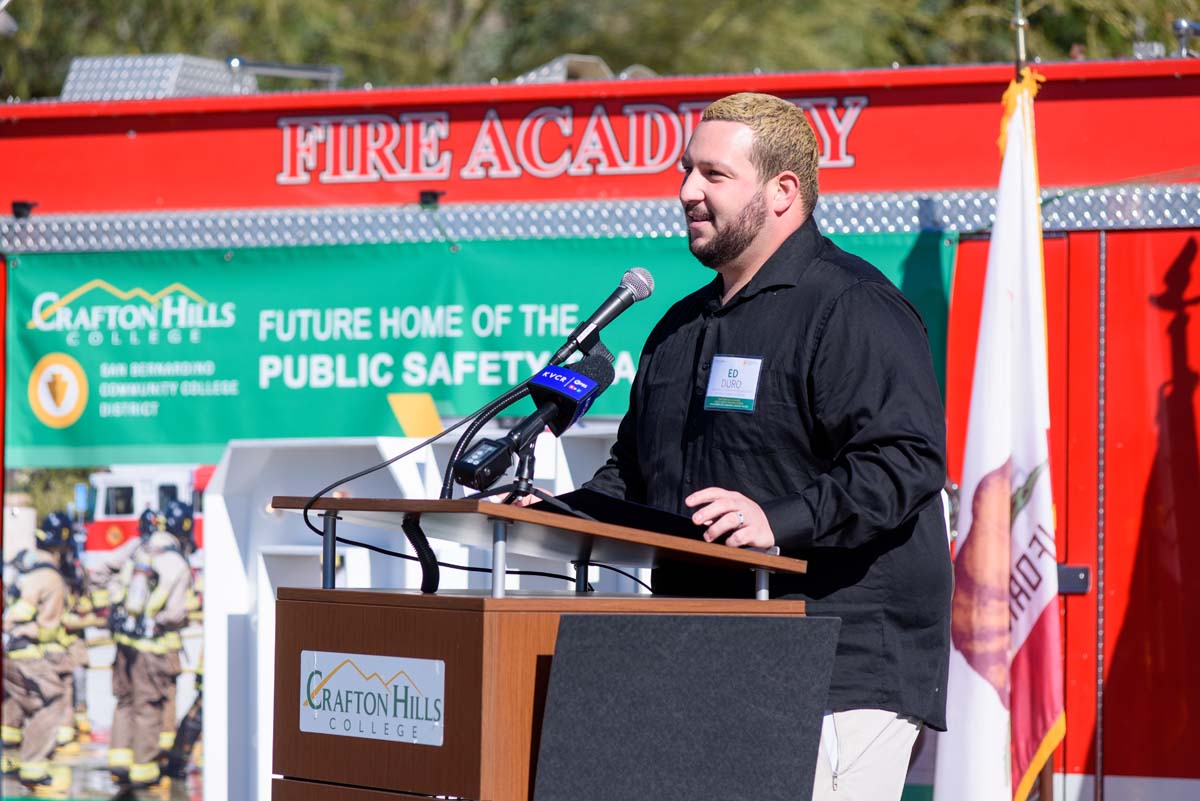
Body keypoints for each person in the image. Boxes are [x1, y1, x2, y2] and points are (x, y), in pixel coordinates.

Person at [583, 92, 951, 801]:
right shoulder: (678, 327)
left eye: (713, 175)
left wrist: (776, 520)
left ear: (784, 191)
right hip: (698, 661)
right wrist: (552, 509)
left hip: (835, 667)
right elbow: (633, 472)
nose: (686, 191)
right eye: (686, 171)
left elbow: (904, 462)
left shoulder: (852, 306)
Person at [93, 502, 192, 789]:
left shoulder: (140, 548)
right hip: (153, 648)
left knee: (125, 702)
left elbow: (103, 573)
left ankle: (119, 762)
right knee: (148, 706)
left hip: (125, 644)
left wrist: (113, 603)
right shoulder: (178, 563)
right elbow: (176, 613)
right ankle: (144, 771)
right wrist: (165, 619)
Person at [2, 513, 72, 790]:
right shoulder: (50, 576)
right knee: (52, 700)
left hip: (9, 649)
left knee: (20, 699)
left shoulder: (22, 566)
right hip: (27, 649)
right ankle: (34, 766)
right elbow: (27, 616)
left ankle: (11, 756)